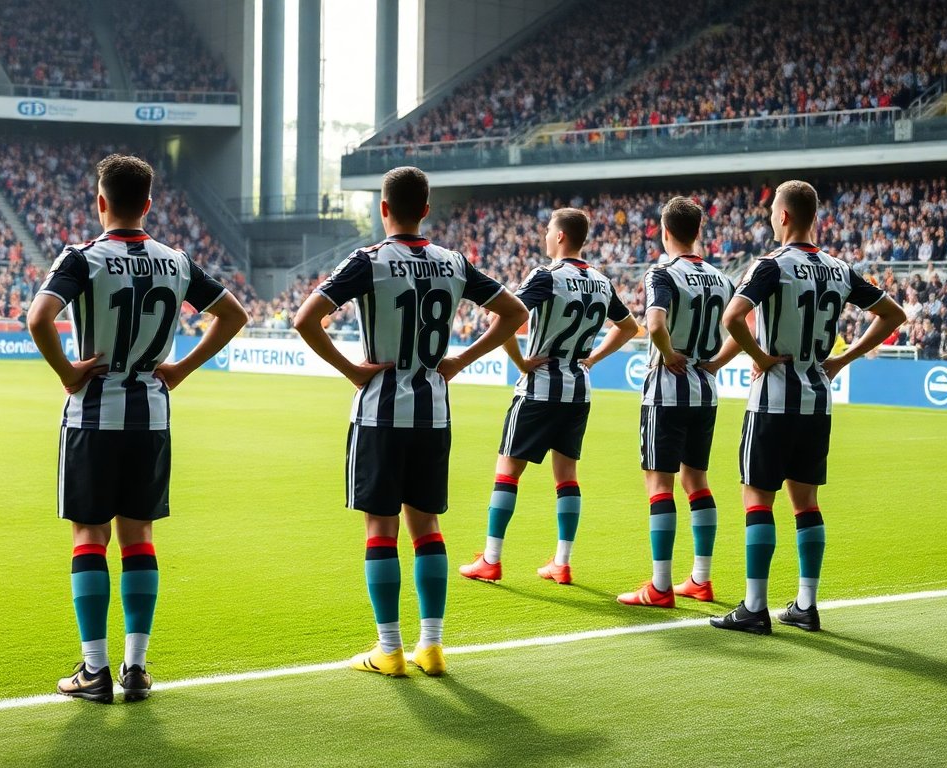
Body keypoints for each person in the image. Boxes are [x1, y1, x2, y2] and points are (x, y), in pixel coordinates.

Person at [27, 154, 249, 703]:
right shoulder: (175, 261)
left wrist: (68, 373)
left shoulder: (84, 259)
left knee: (89, 537)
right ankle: (137, 667)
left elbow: (38, 318)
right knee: (139, 538)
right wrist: (181, 368)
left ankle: (94, 670)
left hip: (94, 414)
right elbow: (234, 314)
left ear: (101, 202)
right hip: (150, 415)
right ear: (148, 203)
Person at [292, 166, 527, 678]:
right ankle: (434, 646)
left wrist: (351, 369)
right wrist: (461, 361)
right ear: (426, 209)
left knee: (381, 527)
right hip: (433, 413)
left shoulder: (368, 262)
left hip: (380, 412)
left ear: (383, 209)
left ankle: (389, 649)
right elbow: (514, 314)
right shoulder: (453, 263)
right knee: (427, 528)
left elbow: (306, 318)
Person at [714, 180, 905, 635]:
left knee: (758, 498)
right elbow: (894, 315)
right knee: (807, 503)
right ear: (812, 216)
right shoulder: (839, 269)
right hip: (818, 402)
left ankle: (754, 607)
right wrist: (842, 357)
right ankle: (806, 604)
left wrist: (760, 358)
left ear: (782, 216)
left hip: (773, 401)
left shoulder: (770, 266)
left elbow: (732, 317)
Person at [459, 207, 639, 586]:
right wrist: (593, 357)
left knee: (508, 472)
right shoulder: (602, 282)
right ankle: (562, 561)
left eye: (547, 229)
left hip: (539, 386)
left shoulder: (546, 276)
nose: (543, 235)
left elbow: (503, 316)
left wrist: (520, 361)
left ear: (560, 236)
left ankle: (491, 559)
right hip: (577, 389)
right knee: (567, 476)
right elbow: (628, 327)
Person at [616, 196, 740, 608]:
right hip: (705, 393)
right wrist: (718, 362)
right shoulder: (722, 279)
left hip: (667, 392)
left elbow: (653, 324)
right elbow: (743, 328)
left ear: (664, 231)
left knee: (659, 484)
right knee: (697, 481)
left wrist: (668, 354)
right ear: (698, 232)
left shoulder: (662, 273)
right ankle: (700, 579)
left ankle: (661, 586)